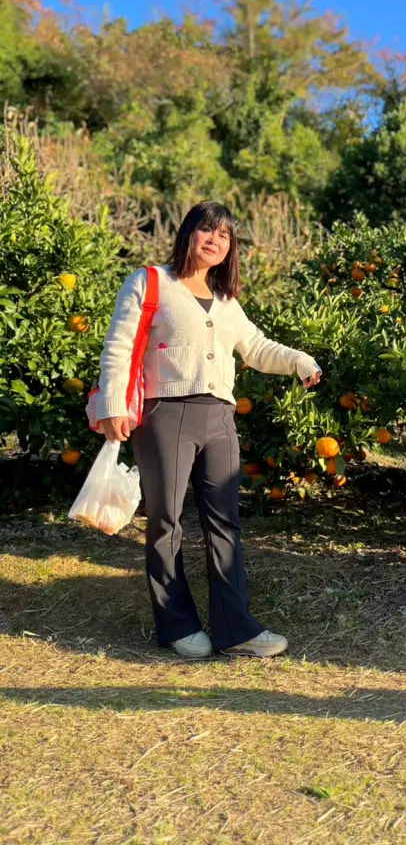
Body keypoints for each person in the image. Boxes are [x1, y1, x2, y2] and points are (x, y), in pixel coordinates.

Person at [93, 201, 322, 659]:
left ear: (230, 247)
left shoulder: (226, 300)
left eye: (224, 235)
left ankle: (236, 630)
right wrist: (114, 404)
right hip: (165, 414)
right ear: (188, 233)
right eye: (207, 230)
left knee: (225, 523)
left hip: (219, 417)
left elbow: (255, 346)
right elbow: (119, 346)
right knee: (166, 521)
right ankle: (177, 625)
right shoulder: (150, 282)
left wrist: (299, 360)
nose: (214, 240)